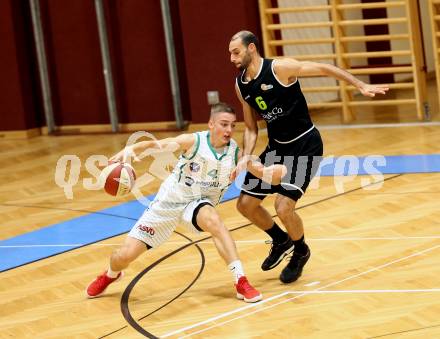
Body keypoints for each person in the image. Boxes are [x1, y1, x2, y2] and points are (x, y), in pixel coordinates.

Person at [228, 31, 389, 283]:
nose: (231, 58)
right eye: (230, 53)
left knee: (283, 206)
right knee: (245, 205)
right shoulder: (241, 85)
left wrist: (360, 85)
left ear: (251, 49)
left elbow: (324, 69)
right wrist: (245, 157)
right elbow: (250, 127)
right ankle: (281, 240)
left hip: (305, 145)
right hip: (277, 147)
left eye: (235, 52)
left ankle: (300, 251)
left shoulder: (280, 68)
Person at [86, 102, 287, 303]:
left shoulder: (236, 155)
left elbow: (264, 173)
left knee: (214, 221)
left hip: (197, 205)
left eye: (233, 125)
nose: (229, 130)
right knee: (124, 256)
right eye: (224, 124)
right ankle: (111, 274)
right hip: (168, 203)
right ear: (211, 124)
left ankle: (241, 281)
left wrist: (275, 173)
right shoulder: (194, 141)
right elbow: (158, 145)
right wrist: (132, 148)